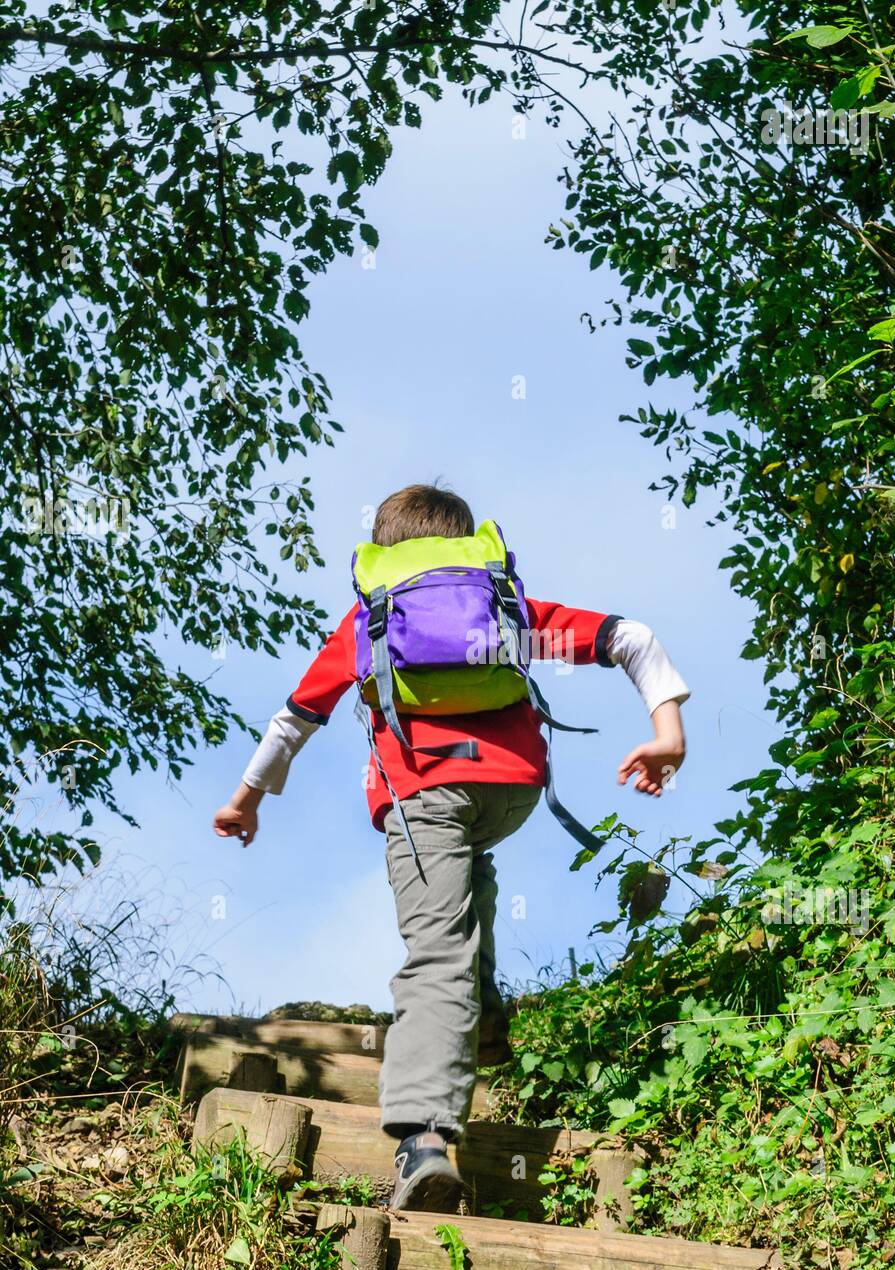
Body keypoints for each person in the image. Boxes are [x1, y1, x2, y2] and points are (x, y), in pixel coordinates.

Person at [213, 484, 689, 1210]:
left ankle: (424, 1140)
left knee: (436, 949)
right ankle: (486, 1020)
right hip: (512, 791)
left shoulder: (372, 615)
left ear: (386, 551)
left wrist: (246, 798)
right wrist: (667, 734)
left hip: (423, 789)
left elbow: (296, 717)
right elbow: (631, 636)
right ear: (464, 547)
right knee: (470, 870)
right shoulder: (501, 607)